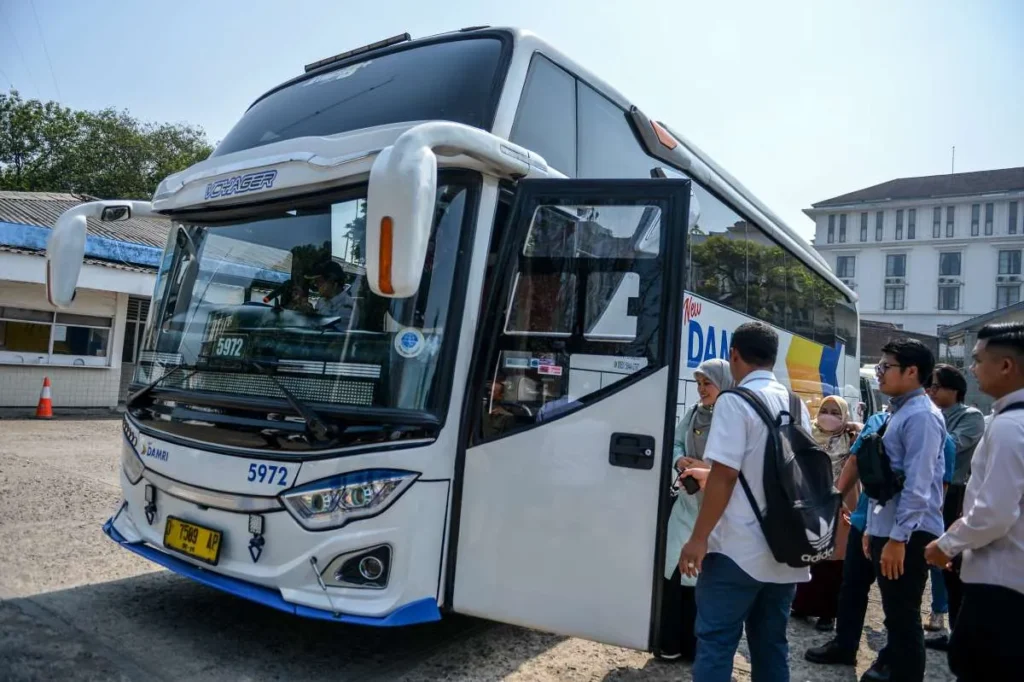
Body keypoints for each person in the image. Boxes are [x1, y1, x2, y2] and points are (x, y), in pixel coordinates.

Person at [679, 322, 811, 682]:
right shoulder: (796, 403)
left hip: (736, 549)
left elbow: (725, 475)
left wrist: (698, 538)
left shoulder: (734, 401)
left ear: (734, 355)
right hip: (785, 548)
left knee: (716, 642)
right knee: (771, 645)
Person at [925, 322, 1024, 680]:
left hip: (1001, 585)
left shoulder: (1009, 427)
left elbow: (994, 513)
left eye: (978, 359)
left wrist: (947, 545)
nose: (972, 368)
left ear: (1006, 366)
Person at [861, 338, 946, 682]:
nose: (879, 373)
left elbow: (918, 485)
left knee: (904, 615)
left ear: (912, 372)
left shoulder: (922, 417)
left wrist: (897, 539)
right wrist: (874, 528)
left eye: (886, 367)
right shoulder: (901, 411)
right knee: (896, 614)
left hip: (909, 533)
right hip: (892, 527)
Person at [658, 359, 733, 662]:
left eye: (707, 383)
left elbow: (736, 464)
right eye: (699, 383)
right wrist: (680, 461)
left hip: (715, 512)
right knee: (675, 571)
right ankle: (671, 642)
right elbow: (676, 442)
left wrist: (708, 469)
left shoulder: (732, 418)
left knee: (704, 579)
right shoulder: (692, 414)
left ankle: (695, 648)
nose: (701, 389)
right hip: (686, 505)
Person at [924, 364, 985, 648]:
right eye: (929, 387)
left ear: (955, 389)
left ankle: (949, 622)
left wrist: (925, 425)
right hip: (929, 489)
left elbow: (951, 446)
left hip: (955, 493)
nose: (931, 392)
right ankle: (943, 620)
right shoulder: (929, 413)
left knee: (948, 558)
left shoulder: (971, 416)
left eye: (936, 387)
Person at [790, 395, 859, 632]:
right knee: (810, 555)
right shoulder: (810, 434)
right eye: (825, 410)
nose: (828, 416)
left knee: (834, 560)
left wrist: (855, 426)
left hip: (842, 502)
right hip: (812, 500)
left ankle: (828, 613)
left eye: (836, 412)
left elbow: (870, 436)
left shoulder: (851, 439)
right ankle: (802, 605)